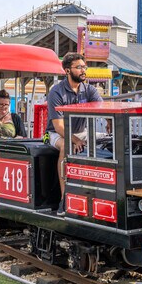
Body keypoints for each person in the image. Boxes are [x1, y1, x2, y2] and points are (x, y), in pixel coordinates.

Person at [45, 52, 102, 215]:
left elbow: (102, 107)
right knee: (66, 146)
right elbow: (58, 127)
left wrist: (111, 123)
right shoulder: (56, 92)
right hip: (55, 134)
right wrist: (75, 139)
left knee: (107, 141)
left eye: (84, 67)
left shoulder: (89, 89)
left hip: (81, 132)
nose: (83, 70)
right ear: (67, 70)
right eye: (79, 67)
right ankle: (64, 198)